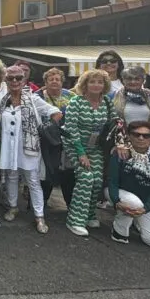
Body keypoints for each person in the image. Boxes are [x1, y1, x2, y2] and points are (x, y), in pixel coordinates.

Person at [0, 65, 61, 234]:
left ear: (24, 80)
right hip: (9, 147)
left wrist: (49, 125)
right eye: (11, 78)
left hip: (29, 147)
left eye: (19, 78)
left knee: (32, 180)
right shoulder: (3, 100)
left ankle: (39, 216)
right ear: (6, 80)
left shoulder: (33, 99)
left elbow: (54, 111)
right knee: (11, 177)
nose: (15, 81)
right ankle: (13, 206)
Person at [63, 69, 111, 237]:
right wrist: (81, 153)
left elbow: (112, 125)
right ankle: (75, 220)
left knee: (97, 180)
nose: (96, 85)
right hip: (75, 144)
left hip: (96, 147)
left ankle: (89, 214)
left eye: (100, 82)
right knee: (86, 177)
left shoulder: (106, 102)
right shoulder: (76, 102)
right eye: (92, 82)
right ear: (85, 84)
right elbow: (71, 128)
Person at [107, 120, 150, 249]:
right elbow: (112, 181)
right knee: (134, 202)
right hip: (120, 194)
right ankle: (119, 231)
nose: (141, 138)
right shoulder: (120, 153)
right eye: (136, 134)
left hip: (145, 201)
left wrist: (146, 208)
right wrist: (116, 201)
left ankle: (137, 220)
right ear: (129, 136)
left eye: (146, 136)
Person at [36, 68, 76, 205]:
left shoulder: (71, 96)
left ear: (62, 82)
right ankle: (41, 204)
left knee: (67, 172)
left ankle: (70, 204)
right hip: (45, 139)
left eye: (57, 79)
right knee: (46, 171)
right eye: (51, 79)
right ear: (45, 82)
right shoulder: (38, 96)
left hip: (66, 138)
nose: (54, 81)